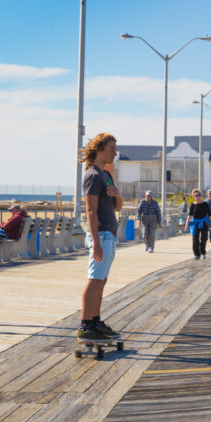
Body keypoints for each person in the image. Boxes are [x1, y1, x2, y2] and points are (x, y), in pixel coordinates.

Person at [76, 132, 122, 342]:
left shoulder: (106, 175)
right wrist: (95, 243)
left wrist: (117, 195)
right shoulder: (93, 175)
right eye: (111, 149)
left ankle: (95, 321)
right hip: (101, 234)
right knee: (94, 280)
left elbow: (117, 207)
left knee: (101, 280)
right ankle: (85, 326)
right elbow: (91, 211)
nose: (115, 153)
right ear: (99, 149)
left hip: (109, 233)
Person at [184, 188, 211, 259]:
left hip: (203, 222)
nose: (198, 196)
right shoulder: (192, 205)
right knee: (195, 239)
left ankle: (202, 252)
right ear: (193, 197)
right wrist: (186, 224)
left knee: (204, 238)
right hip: (195, 223)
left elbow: (209, 214)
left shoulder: (205, 204)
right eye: (196, 195)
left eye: (199, 195)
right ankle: (196, 254)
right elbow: (190, 215)